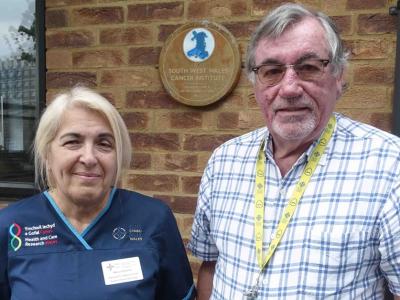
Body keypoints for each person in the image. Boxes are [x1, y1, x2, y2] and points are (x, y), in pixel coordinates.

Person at [188, 3, 400, 299]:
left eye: (309, 67)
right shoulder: (224, 161)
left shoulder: (390, 165)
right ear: (256, 83)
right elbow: (210, 265)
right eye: (272, 71)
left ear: (338, 76)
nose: (289, 88)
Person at [0, 86, 195, 299]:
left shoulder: (153, 219)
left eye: (104, 144)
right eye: (73, 142)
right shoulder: (11, 225)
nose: (89, 158)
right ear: (47, 153)